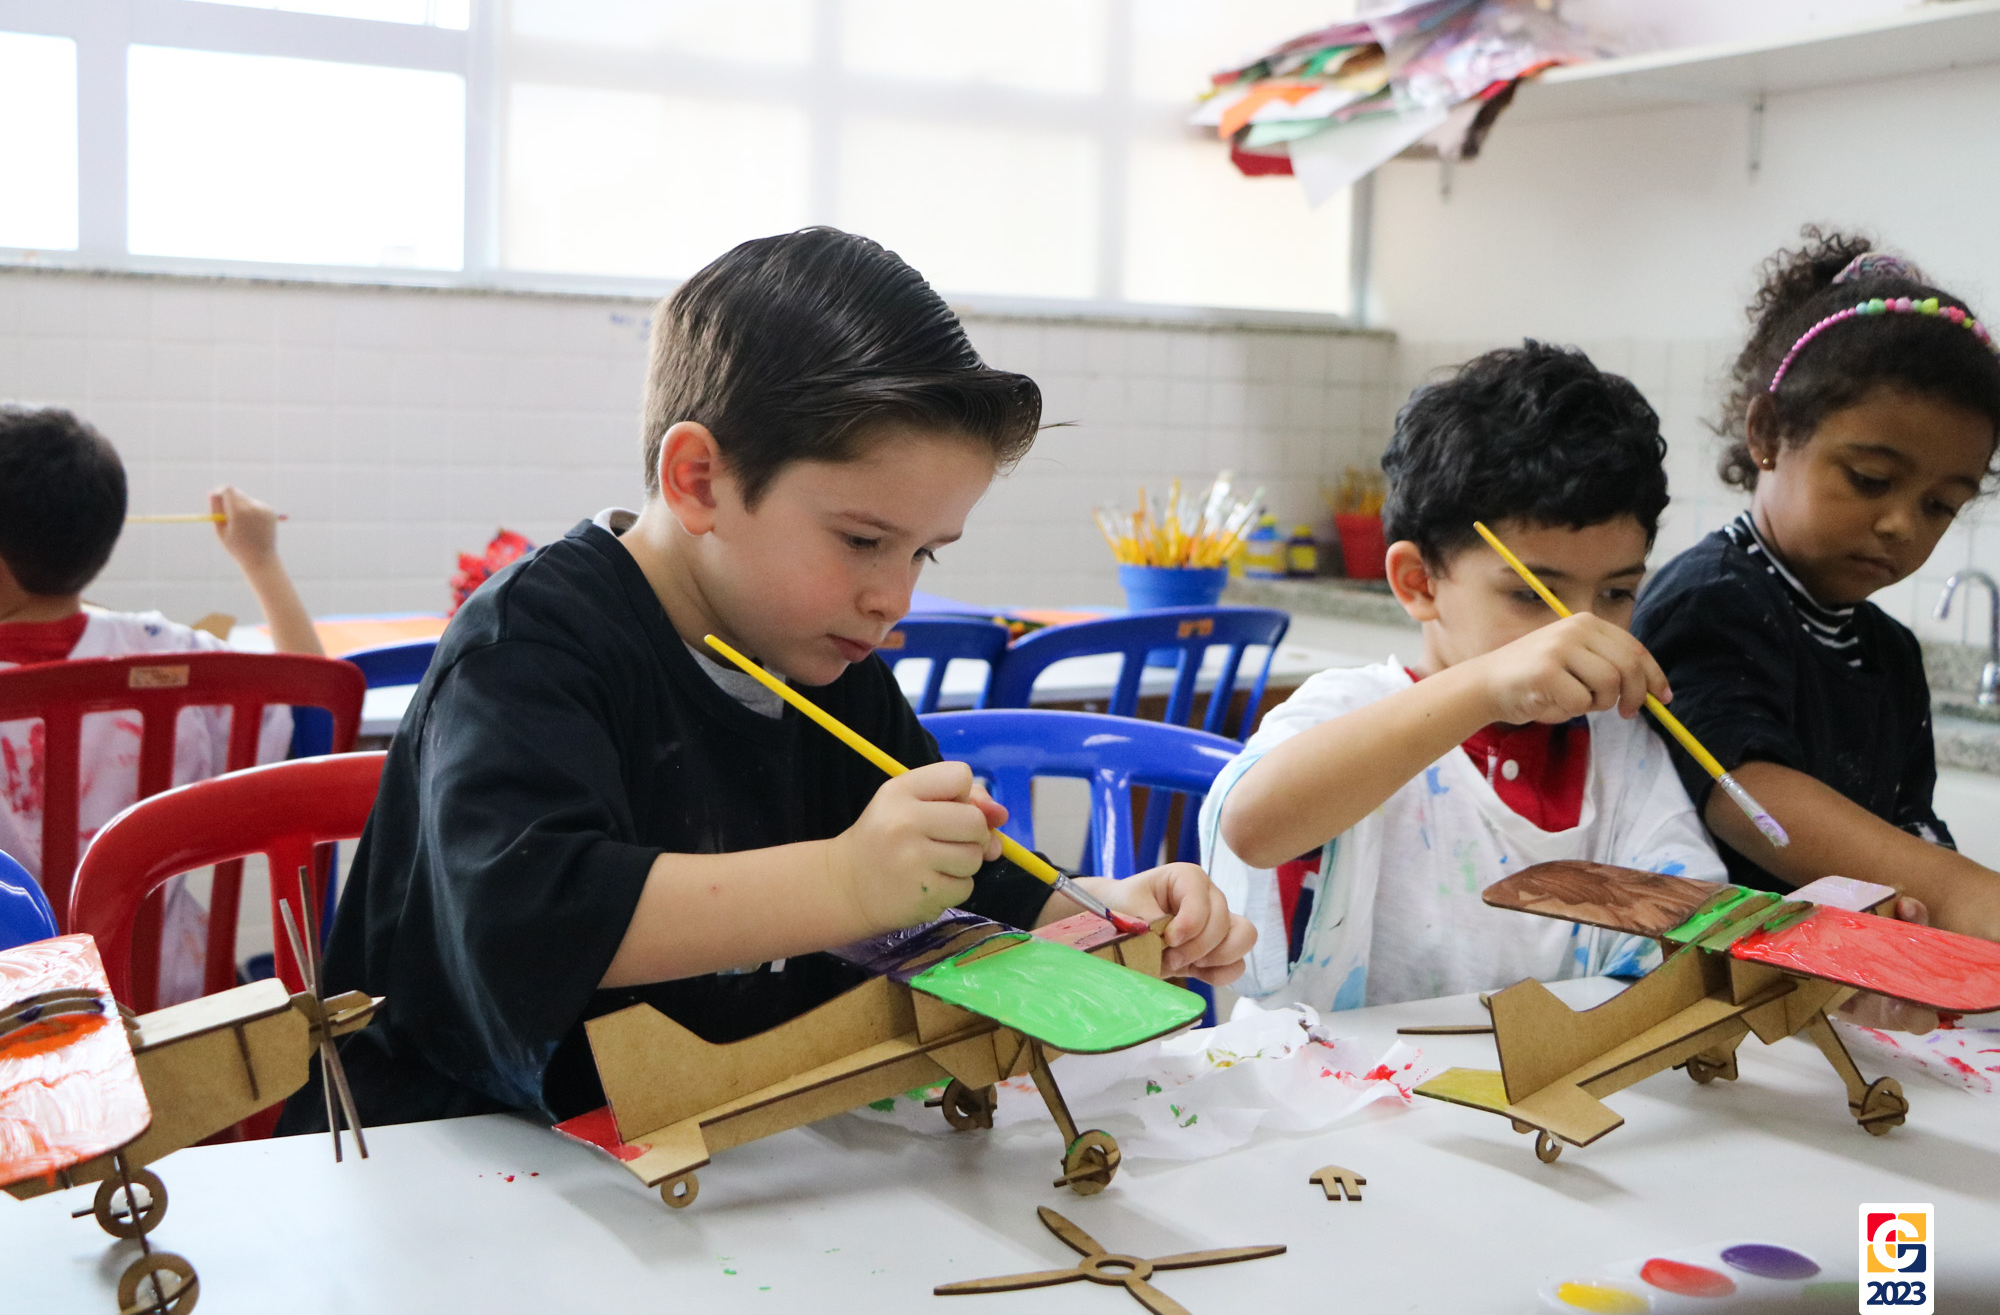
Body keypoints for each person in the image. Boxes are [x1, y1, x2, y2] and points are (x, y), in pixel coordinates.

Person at [287, 228, 1255, 1131]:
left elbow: (966, 878)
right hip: (442, 1161)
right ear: (698, 480)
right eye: (863, 540)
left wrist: (1099, 910)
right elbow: (531, 922)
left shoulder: (821, 655)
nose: (892, 598)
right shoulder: (528, 645)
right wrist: (846, 880)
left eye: (924, 552)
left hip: (711, 1156)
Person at [1203, 343, 1725, 1011]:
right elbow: (1251, 827)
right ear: (1419, 583)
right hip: (1332, 1076)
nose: (1580, 630)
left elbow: (1689, 934)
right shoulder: (1353, 708)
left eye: (1617, 593)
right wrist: (1485, 687)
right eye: (1532, 595)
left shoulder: (1618, 747)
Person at [1633, 230, 2000, 943]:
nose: (1901, 524)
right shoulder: (1710, 599)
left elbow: (1908, 825)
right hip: (1693, 972)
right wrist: (1959, 892)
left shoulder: (1888, 652)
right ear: (1767, 434)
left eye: (1939, 505)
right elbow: (1742, 793)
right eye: (1870, 479)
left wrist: (1929, 908)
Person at [0, 404, 322, 1002]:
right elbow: (317, 714)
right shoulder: (175, 658)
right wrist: (260, 559)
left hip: (17, 1025)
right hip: (175, 1006)